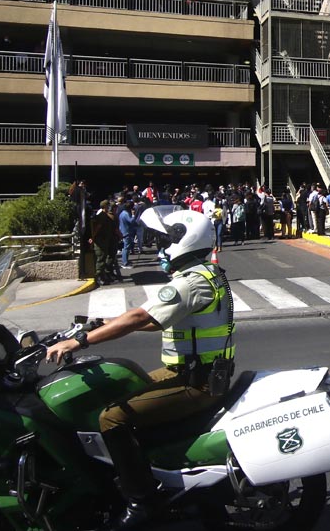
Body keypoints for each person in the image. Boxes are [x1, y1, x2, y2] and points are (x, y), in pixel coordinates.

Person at [46, 207, 235, 529]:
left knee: (112, 417)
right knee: (122, 387)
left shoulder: (190, 282)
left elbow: (140, 318)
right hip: (197, 372)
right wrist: (103, 323)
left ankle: (142, 501)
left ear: (184, 241)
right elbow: (156, 319)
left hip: (197, 382)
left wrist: (80, 342)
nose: (161, 246)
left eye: (166, 239)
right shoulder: (204, 274)